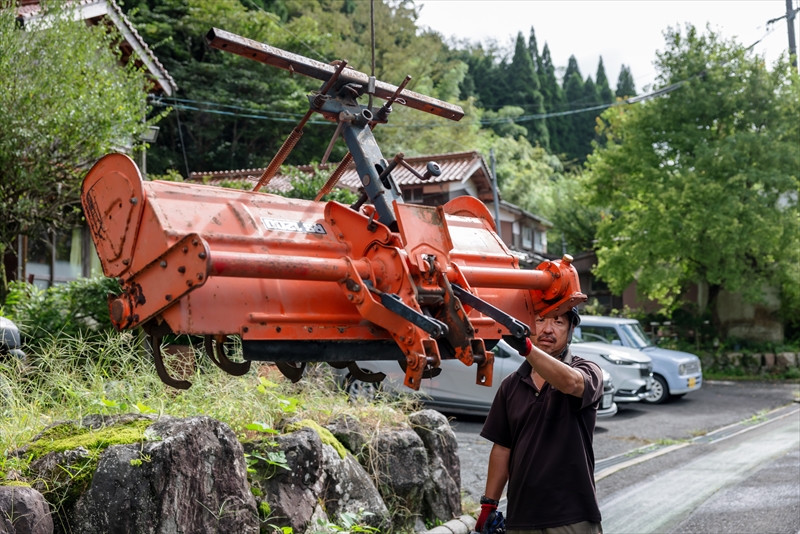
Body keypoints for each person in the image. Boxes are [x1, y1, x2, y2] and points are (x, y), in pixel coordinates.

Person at [476, 308, 604, 534]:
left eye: (558, 322)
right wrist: (489, 504)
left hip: (572, 516)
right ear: (527, 326)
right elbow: (502, 448)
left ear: (571, 329)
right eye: (540, 320)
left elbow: (570, 384)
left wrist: (527, 348)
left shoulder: (587, 371)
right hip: (521, 517)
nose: (547, 329)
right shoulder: (511, 385)